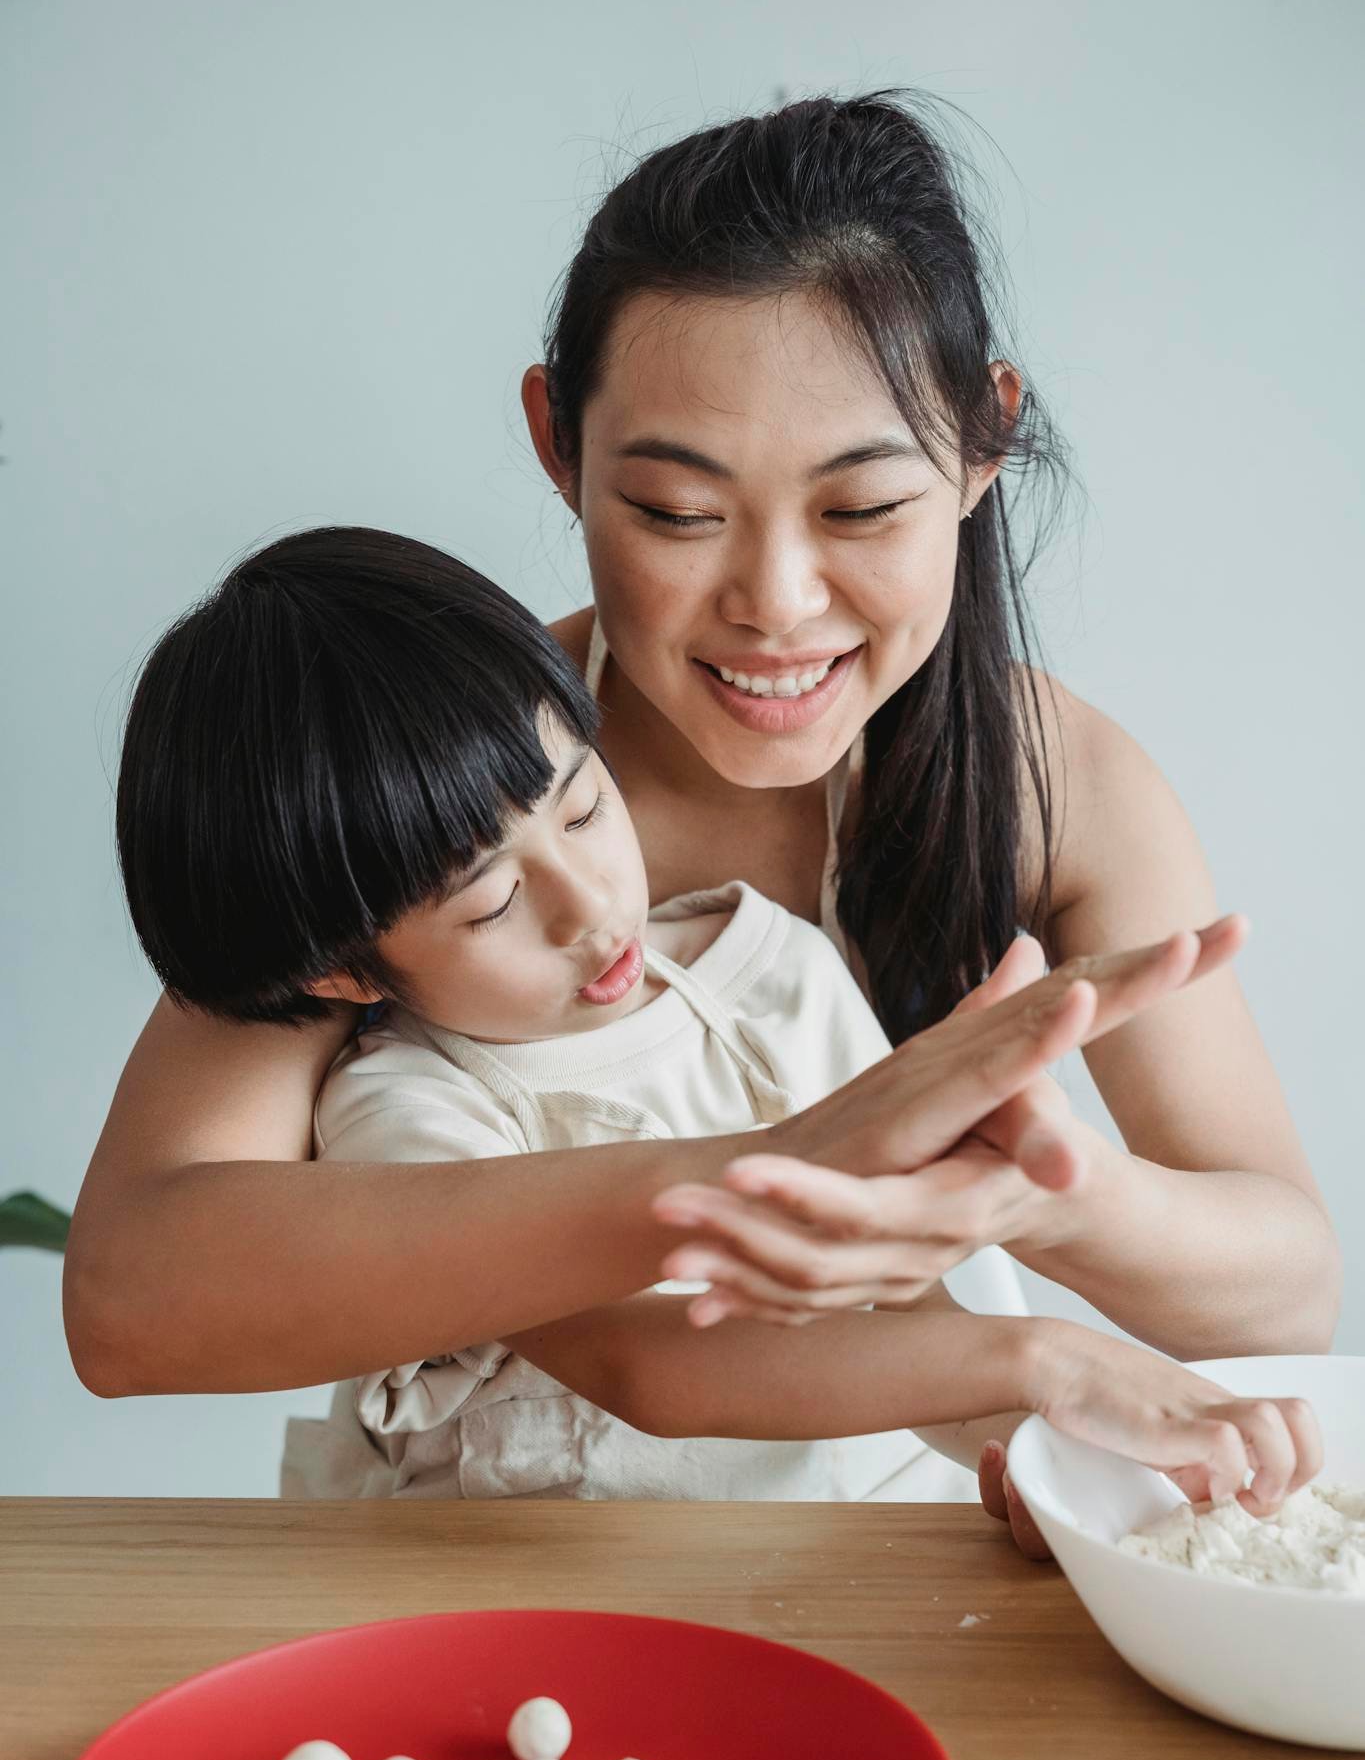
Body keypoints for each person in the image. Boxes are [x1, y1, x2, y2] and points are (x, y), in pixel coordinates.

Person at [65, 93, 1338, 1543]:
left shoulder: (1050, 779)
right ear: (558, 440)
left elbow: (1285, 1285)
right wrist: (770, 1176)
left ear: (987, 442)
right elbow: (133, 1292)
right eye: (677, 512)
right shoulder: (438, 785)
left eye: (861, 511)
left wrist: (1027, 1192)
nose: (775, 605)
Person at [111, 525, 1321, 1512]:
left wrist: (1037, 1450)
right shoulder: (407, 1109)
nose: (590, 908)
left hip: (827, 1571)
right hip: (550, 1613)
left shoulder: (771, 964)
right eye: (489, 901)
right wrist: (1046, 1360)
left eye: (586, 808)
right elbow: (652, 1361)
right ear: (341, 971)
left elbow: (905, 1322)